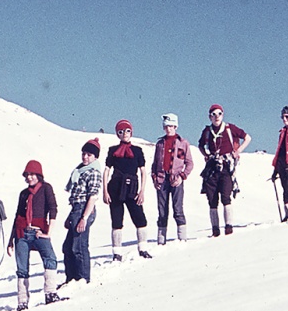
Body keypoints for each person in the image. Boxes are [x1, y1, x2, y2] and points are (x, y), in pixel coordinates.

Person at [7, 160, 60, 310]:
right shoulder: (23, 194)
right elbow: (17, 215)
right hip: (22, 233)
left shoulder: (46, 188)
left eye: (32, 174)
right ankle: (22, 301)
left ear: (39, 175)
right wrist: (11, 240)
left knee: (50, 259)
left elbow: (53, 208)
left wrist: (49, 232)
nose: (29, 177)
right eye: (27, 175)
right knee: (22, 268)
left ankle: (50, 293)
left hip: (39, 232)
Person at [198, 104, 252, 236]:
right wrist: (206, 155)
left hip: (226, 167)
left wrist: (237, 151)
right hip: (212, 168)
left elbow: (247, 138)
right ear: (209, 117)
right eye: (213, 114)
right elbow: (200, 145)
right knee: (212, 199)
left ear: (223, 115)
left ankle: (229, 227)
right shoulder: (207, 131)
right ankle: (215, 229)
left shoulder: (229, 128)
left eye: (219, 113)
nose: (216, 117)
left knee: (226, 197)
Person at [104, 120, 151, 259]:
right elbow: (106, 170)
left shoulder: (137, 151)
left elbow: (143, 171)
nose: (124, 134)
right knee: (116, 221)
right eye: (121, 131)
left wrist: (142, 191)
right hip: (115, 189)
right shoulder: (112, 150)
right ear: (117, 134)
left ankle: (143, 249)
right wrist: (105, 191)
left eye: (127, 130)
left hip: (132, 189)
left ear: (131, 132)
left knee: (140, 218)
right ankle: (117, 253)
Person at [62, 138, 102, 283]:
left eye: (89, 155)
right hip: (76, 209)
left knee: (79, 246)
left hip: (84, 209)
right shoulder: (79, 171)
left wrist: (83, 218)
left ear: (95, 157)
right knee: (68, 247)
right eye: (84, 153)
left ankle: (83, 278)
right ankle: (71, 278)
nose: (85, 157)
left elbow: (93, 196)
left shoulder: (94, 172)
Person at [151, 113, 194, 244]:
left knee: (178, 209)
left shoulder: (183, 143)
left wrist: (182, 176)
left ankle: (182, 238)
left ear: (175, 126)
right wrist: (154, 178)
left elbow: (189, 163)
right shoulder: (160, 144)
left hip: (176, 179)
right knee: (162, 210)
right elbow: (154, 164)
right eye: (166, 126)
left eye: (171, 126)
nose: (168, 129)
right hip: (161, 179)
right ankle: (161, 240)